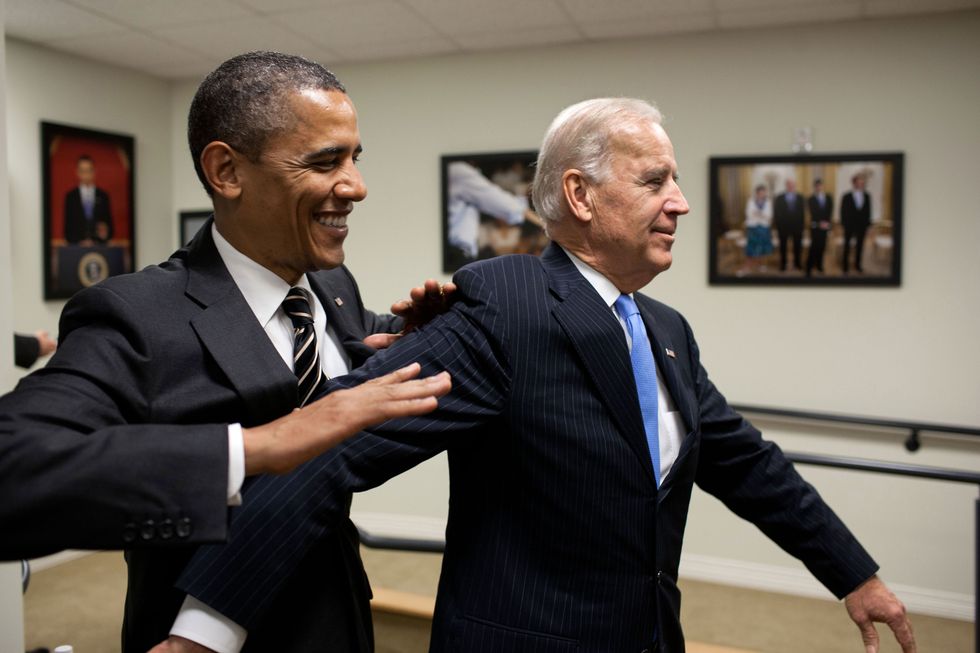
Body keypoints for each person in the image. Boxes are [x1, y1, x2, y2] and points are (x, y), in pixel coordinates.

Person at [165, 98, 916, 653]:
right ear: (582, 196)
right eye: (656, 181)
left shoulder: (666, 331)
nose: (681, 203)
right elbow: (331, 440)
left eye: (677, 183)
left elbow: (747, 461)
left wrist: (853, 571)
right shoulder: (507, 304)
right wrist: (207, 628)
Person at [0, 50, 453, 648]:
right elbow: (14, 472)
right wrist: (262, 446)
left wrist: (395, 337)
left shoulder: (331, 285)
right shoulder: (135, 314)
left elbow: (309, 356)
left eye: (354, 159)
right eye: (325, 162)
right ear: (227, 171)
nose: (357, 187)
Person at [445, 160, 542, 269]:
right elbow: (504, 203)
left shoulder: (454, 170)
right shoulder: (458, 170)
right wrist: (543, 224)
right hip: (456, 254)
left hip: (457, 254)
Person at [63, 155, 113, 244]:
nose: (85, 174)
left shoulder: (103, 196)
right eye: (82, 171)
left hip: (99, 248)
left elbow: (109, 228)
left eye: (88, 170)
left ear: (94, 172)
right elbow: (67, 230)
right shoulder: (71, 197)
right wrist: (81, 242)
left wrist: (103, 235)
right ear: (77, 172)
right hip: (77, 249)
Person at [738, 184, 773, 276]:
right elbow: (749, 214)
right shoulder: (750, 201)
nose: (762, 194)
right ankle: (747, 267)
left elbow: (769, 216)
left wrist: (758, 213)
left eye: (764, 193)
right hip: (753, 227)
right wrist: (762, 214)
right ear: (756, 193)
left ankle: (761, 265)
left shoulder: (768, 202)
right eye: (760, 193)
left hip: (764, 227)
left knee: (762, 247)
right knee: (751, 248)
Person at [841, 173, 872, 274]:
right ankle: (845, 266)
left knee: (860, 246)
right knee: (847, 246)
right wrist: (844, 224)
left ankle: (858, 265)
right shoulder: (846, 196)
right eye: (859, 182)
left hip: (862, 226)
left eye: (862, 182)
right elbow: (843, 212)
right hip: (849, 225)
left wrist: (868, 226)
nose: (861, 184)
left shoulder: (867, 196)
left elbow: (868, 212)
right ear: (854, 183)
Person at [773, 178, 804, 272]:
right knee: (783, 247)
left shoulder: (800, 197)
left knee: (797, 246)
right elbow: (776, 213)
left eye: (792, 184)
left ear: (795, 186)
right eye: (789, 184)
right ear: (786, 185)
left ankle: (797, 263)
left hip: (797, 227)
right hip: (783, 227)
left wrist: (802, 226)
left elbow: (802, 213)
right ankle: (783, 264)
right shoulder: (779, 197)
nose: (791, 186)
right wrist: (778, 226)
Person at [806, 178, 833, 276]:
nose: (819, 187)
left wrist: (827, 224)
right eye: (817, 186)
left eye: (820, 185)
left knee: (822, 247)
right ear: (814, 187)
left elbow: (829, 212)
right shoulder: (811, 199)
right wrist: (819, 223)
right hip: (815, 226)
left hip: (825, 226)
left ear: (822, 186)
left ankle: (819, 266)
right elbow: (813, 213)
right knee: (813, 247)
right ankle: (809, 267)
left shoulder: (829, 198)